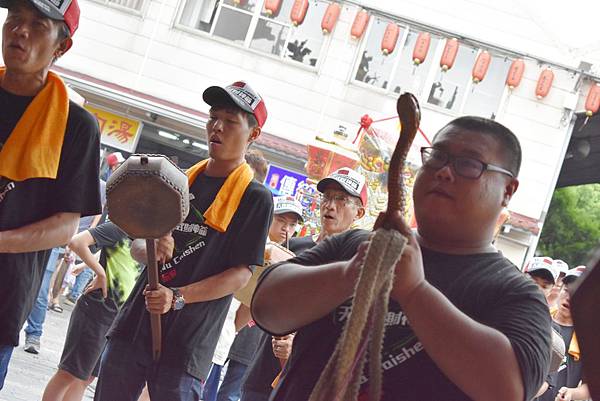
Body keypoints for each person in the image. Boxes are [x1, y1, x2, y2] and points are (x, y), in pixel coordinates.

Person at [252, 116, 552, 401]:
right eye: (437, 157)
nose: (444, 172)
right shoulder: (355, 245)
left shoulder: (515, 293)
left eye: (468, 164)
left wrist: (415, 293)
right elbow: (266, 307)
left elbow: (508, 389)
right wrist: (350, 274)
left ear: (508, 190)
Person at [93, 81, 273, 401]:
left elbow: (241, 274)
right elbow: (137, 246)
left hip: (189, 341)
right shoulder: (175, 181)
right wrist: (151, 246)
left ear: (253, 134)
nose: (216, 127)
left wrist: (178, 297)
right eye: (212, 117)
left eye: (230, 121)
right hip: (135, 324)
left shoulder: (255, 198)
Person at [0, 0, 101, 389]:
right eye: (14, 18)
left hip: (4, 292)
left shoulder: (75, 126)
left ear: (62, 46)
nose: (19, 31)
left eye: (38, 25)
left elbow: (64, 227)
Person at [241, 169, 367, 401]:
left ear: (359, 212)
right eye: (327, 197)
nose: (330, 205)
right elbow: (254, 300)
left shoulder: (355, 266)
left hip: (306, 383)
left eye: (341, 199)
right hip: (261, 374)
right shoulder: (292, 249)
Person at [42, 221, 139, 401]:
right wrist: (100, 272)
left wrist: (88, 265)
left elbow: (115, 253)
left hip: (116, 318)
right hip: (96, 310)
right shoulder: (120, 226)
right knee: (69, 374)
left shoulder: (149, 236)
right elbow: (77, 241)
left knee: (86, 378)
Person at [538, 266, 589, 401]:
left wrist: (571, 393)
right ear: (559, 289)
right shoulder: (539, 320)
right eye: (567, 290)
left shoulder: (590, 338)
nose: (569, 298)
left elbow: (589, 387)